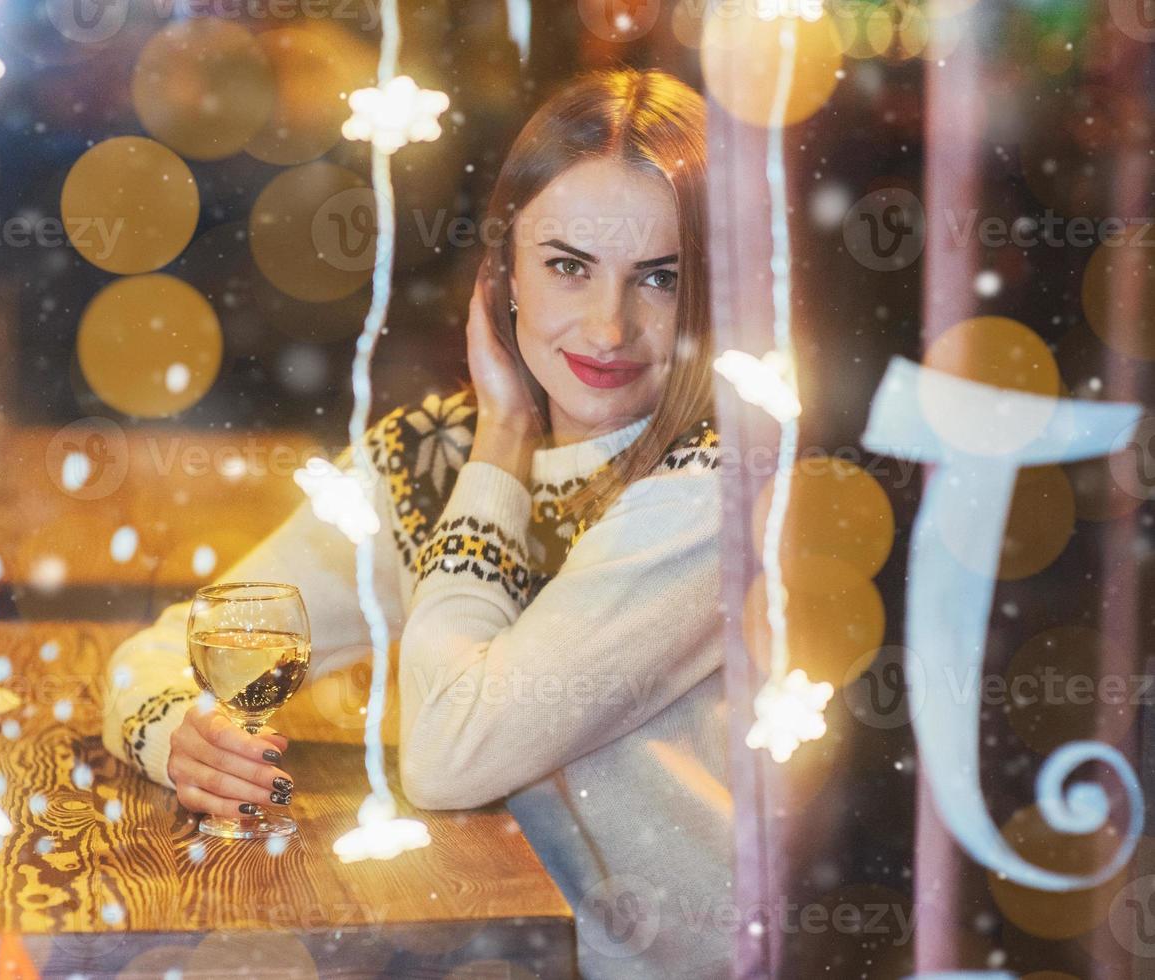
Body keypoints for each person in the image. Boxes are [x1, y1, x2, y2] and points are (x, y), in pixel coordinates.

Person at [103, 67, 731, 979]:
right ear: (502, 271)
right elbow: (171, 648)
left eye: (660, 279)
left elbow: (446, 753)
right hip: (471, 953)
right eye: (567, 266)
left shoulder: (716, 489)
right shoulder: (429, 457)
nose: (608, 326)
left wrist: (504, 438)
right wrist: (180, 740)